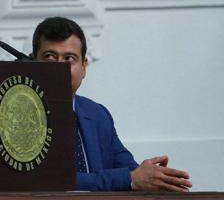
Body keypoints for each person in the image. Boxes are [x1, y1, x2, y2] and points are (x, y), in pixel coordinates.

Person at [32, 16, 192, 192]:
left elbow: (130, 170)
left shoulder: (97, 114)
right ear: (31, 63)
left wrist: (155, 177)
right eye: (50, 57)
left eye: (69, 58)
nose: (60, 68)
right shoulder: (16, 115)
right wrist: (130, 179)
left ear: (84, 66)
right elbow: (45, 179)